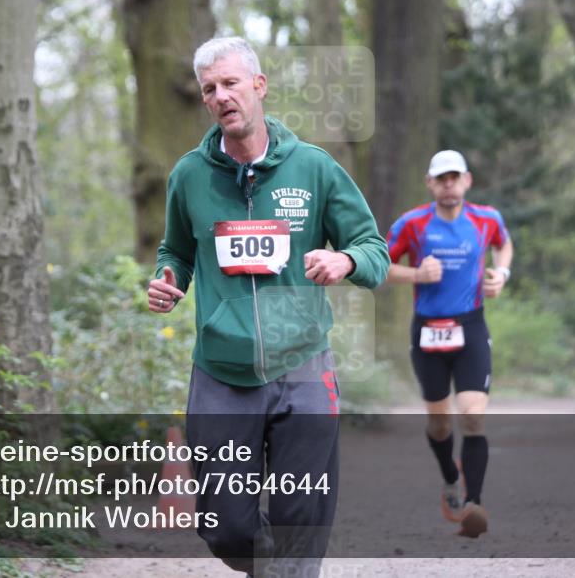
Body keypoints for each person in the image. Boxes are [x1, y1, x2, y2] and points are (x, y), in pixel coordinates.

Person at [147, 37, 390, 575]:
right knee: (225, 526)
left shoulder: (314, 168)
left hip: (302, 364)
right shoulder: (189, 176)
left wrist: (345, 261)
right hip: (221, 372)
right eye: (210, 89)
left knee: (300, 518)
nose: (221, 96)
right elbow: (176, 250)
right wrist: (168, 278)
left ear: (258, 86)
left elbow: (375, 249)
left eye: (231, 83)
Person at [384, 150, 513, 539]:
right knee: (440, 424)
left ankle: (474, 505)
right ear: (430, 183)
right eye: (441, 178)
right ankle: (450, 479)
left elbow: (503, 245)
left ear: (467, 181)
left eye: (455, 177)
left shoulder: (486, 219)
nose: (448, 184)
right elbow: (379, 265)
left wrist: (501, 273)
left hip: (471, 327)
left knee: (473, 416)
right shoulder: (412, 224)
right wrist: (416, 273)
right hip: (428, 331)